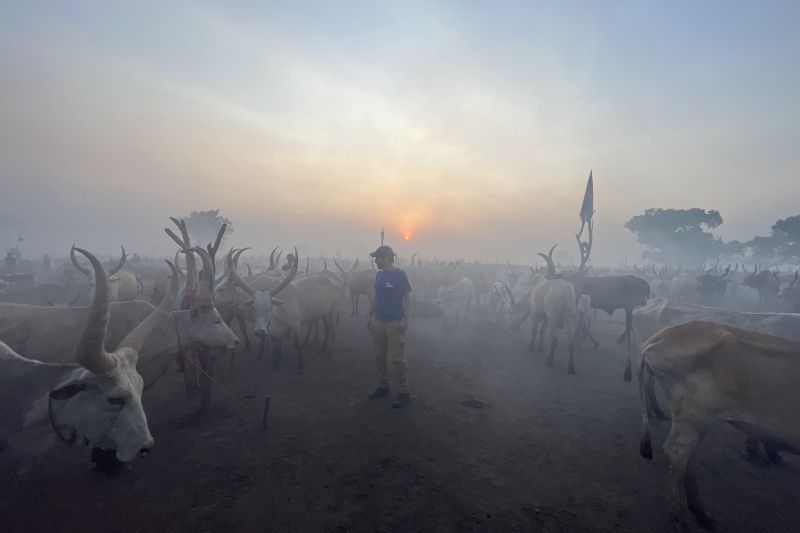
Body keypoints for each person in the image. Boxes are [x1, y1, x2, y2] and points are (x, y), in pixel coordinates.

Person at [366, 245, 413, 408]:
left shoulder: (400, 275)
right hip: (378, 321)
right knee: (379, 357)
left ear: (386, 257)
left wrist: (406, 318)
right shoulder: (379, 275)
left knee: (399, 359)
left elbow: (407, 297)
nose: (375, 261)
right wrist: (369, 315)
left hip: (394, 323)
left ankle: (404, 392)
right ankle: (383, 386)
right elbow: (375, 297)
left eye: (377, 258)